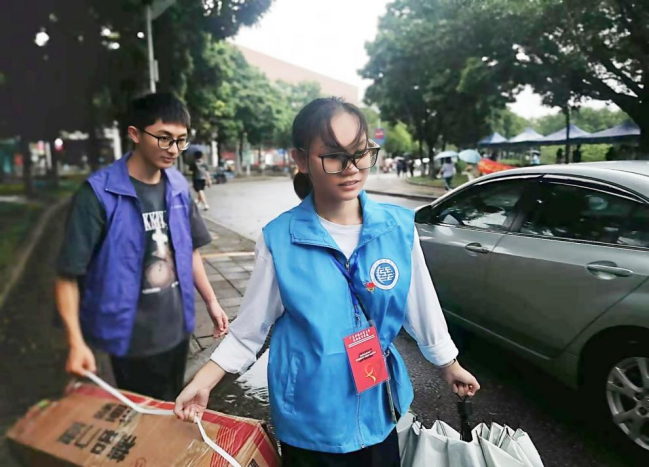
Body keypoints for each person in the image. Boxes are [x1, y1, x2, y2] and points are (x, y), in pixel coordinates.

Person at [174, 97, 479, 466]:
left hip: (377, 405)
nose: (351, 169)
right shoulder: (279, 239)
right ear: (301, 159)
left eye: (360, 153)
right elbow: (249, 331)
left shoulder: (397, 229)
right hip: (308, 414)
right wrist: (203, 382)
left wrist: (448, 364)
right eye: (334, 156)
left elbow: (421, 304)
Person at [55, 93, 229, 401]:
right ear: (135, 134)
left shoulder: (178, 187)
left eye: (181, 140)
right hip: (130, 339)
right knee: (142, 415)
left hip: (178, 328)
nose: (173, 149)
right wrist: (76, 343)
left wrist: (212, 302)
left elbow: (190, 250)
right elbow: (68, 274)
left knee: (173, 406)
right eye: (164, 138)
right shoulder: (97, 195)